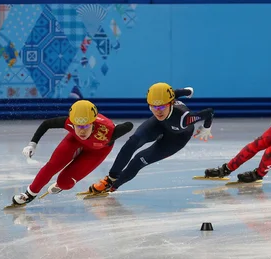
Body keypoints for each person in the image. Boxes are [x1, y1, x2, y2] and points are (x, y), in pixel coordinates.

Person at [86, 82, 214, 194]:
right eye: (153, 107)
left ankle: (113, 186)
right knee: (133, 142)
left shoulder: (185, 119)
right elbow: (174, 94)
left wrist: (206, 128)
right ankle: (110, 179)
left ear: (171, 103)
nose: (158, 111)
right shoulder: (163, 101)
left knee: (138, 160)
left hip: (176, 139)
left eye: (162, 107)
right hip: (159, 124)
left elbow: (209, 112)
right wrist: (187, 91)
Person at [10, 100, 133, 207]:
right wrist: (32, 144)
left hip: (97, 151)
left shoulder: (110, 131)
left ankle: (60, 185)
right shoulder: (68, 122)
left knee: (65, 183)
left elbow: (129, 125)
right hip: (74, 141)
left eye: (86, 126)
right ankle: (29, 194)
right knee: (52, 166)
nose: (82, 130)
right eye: (77, 126)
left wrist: (114, 128)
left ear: (93, 122)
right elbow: (46, 124)